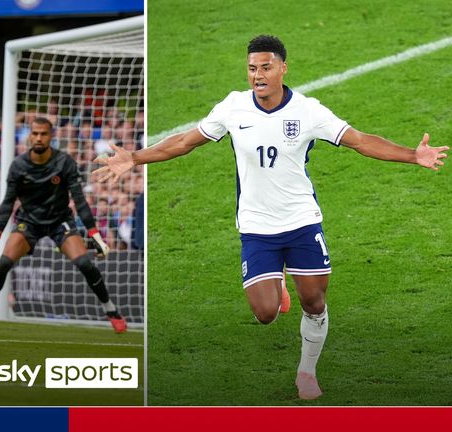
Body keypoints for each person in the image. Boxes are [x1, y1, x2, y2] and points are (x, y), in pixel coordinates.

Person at [93, 35, 448, 399]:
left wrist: (412, 155)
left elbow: (360, 141)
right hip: (257, 227)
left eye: (265, 67)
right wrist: (134, 158)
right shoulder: (233, 108)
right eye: (251, 69)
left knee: (314, 303)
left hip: (301, 221)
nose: (257, 75)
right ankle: (276, 282)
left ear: (282, 68)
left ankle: (306, 373)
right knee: (265, 313)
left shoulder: (308, 112)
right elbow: (184, 142)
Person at [0, 117, 127, 333]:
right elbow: (7, 205)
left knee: (86, 264)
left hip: (60, 221)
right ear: (30, 135)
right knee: (2, 264)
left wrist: (96, 236)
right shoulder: (19, 166)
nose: (39, 137)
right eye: (35, 133)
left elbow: (80, 200)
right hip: (28, 221)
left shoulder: (64, 162)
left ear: (51, 136)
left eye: (43, 133)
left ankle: (112, 311)